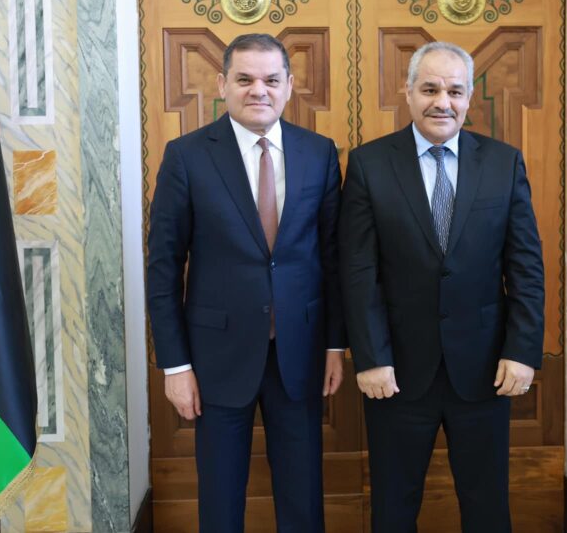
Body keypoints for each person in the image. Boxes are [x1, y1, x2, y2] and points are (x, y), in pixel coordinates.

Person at [339, 41, 545, 532]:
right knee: (393, 504)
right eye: (430, 88)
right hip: (396, 375)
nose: (442, 101)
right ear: (408, 93)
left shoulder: (503, 163)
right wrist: (370, 357)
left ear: (469, 98)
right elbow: (358, 270)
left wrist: (523, 351)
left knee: (487, 504)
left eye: (454, 90)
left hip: (484, 372)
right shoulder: (369, 164)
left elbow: (525, 267)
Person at [146, 33, 345, 533]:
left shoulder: (319, 153)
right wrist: (175, 365)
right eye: (245, 79)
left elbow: (334, 258)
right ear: (223, 84)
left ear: (289, 86)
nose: (259, 90)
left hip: (299, 355)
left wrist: (335, 347)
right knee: (220, 498)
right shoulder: (187, 156)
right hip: (215, 360)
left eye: (271, 80)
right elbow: (164, 266)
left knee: (303, 498)